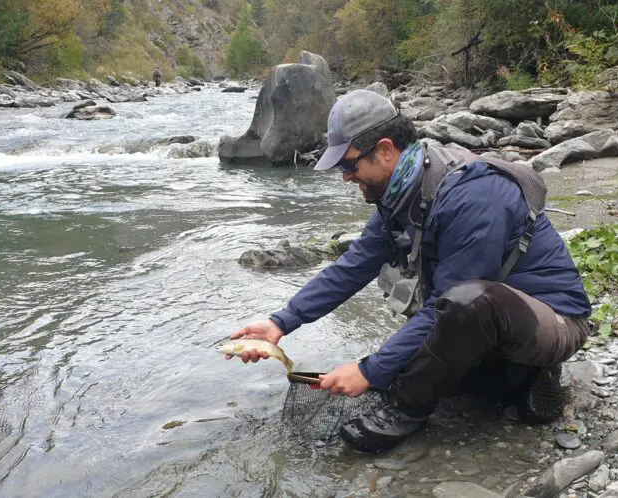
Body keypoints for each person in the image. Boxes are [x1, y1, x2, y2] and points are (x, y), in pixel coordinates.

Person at [226, 89, 593, 453]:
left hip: (555, 320)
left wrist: (370, 371)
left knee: (464, 303)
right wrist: (280, 322)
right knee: (444, 373)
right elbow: (351, 268)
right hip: (492, 324)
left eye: (349, 164)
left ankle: (406, 410)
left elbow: (447, 306)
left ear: (385, 150)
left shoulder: (472, 195)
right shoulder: (400, 196)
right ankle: (522, 378)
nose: (345, 177)